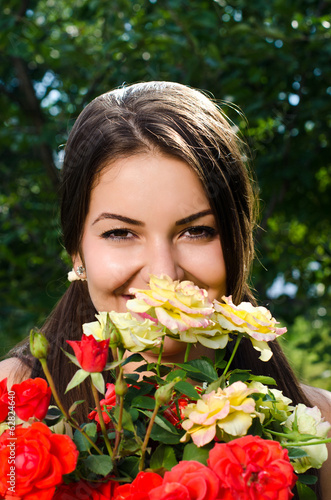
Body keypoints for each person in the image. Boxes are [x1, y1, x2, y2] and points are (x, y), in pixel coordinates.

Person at [1, 81, 330, 497]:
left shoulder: (319, 430)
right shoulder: (10, 409)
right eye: (120, 233)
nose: (163, 274)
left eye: (196, 231)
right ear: (76, 250)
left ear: (236, 244)